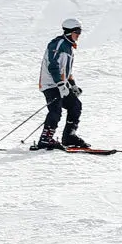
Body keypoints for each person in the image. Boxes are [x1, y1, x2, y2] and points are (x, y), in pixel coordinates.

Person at [33, 18, 90, 150]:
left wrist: (73, 85)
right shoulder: (58, 44)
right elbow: (53, 66)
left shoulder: (69, 47)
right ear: (70, 32)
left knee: (75, 105)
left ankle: (69, 136)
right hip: (51, 85)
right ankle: (45, 140)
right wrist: (60, 84)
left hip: (61, 85)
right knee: (56, 110)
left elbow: (67, 70)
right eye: (77, 32)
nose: (79, 35)